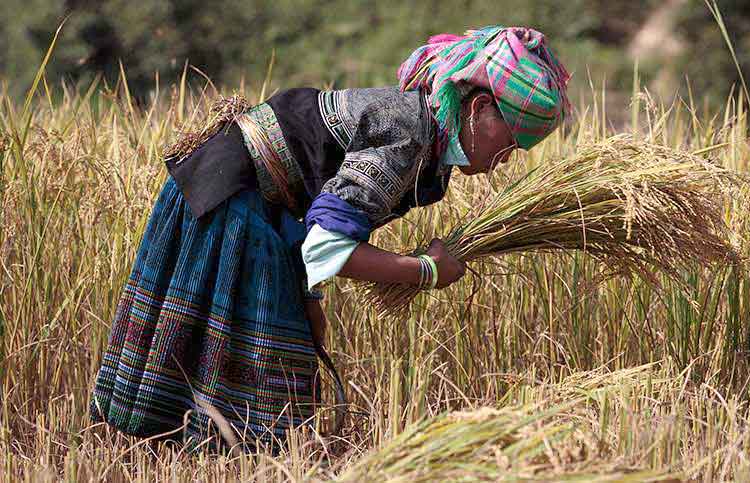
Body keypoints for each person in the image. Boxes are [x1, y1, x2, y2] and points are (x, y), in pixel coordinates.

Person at [89, 25, 572, 452]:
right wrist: (424, 271)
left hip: (241, 201)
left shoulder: (424, 142)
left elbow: (315, 207)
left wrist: (310, 295)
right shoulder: (409, 134)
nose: (509, 157)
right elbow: (326, 247)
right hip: (228, 207)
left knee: (248, 383)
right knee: (251, 404)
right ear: (481, 107)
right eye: (511, 140)